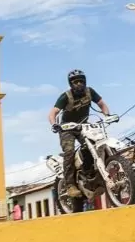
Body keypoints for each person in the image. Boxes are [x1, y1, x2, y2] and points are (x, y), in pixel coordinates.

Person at [48, 69, 112, 197]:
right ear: (71, 84)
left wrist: (107, 115)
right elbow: (53, 112)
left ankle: (91, 175)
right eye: (75, 82)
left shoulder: (90, 91)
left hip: (84, 125)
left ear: (85, 82)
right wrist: (54, 124)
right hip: (67, 128)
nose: (79, 84)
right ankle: (70, 185)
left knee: (96, 144)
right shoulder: (66, 96)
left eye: (81, 81)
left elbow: (102, 104)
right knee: (69, 151)